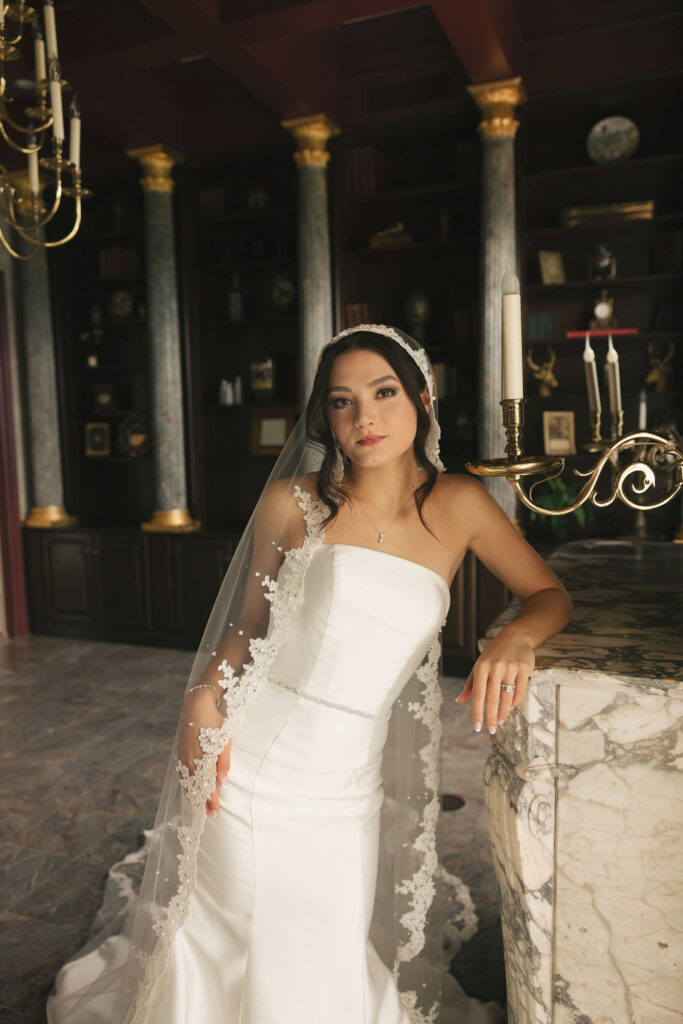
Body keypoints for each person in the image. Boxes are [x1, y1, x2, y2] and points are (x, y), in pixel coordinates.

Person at [47, 325, 572, 1024]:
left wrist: (517, 637)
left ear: (421, 397)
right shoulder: (290, 503)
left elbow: (550, 595)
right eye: (341, 401)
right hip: (252, 764)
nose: (364, 418)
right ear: (323, 417)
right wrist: (202, 699)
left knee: (319, 946)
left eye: (383, 393)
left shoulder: (461, 504)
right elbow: (245, 629)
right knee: (234, 926)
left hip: (349, 782)